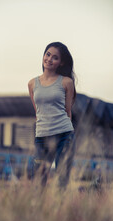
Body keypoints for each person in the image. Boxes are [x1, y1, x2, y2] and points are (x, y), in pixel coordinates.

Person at [28, 42, 76, 187]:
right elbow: (38, 112)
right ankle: (40, 208)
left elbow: (68, 112)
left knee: (61, 178)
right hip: (42, 136)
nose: (49, 59)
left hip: (64, 134)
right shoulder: (32, 83)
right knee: (38, 177)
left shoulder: (66, 82)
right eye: (47, 54)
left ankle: (60, 208)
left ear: (61, 63)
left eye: (55, 57)